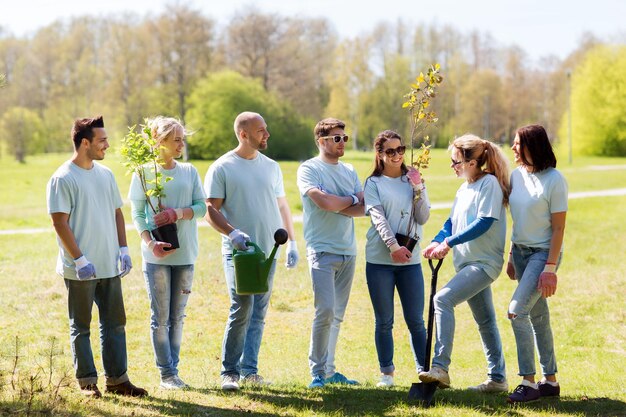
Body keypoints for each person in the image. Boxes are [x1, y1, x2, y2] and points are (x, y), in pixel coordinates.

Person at [46, 116, 147, 398]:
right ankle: (87, 383)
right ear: (85, 143)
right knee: (81, 326)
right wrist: (79, 259)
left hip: (109, 265)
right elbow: (59, 223)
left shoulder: (106, 175)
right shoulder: (62, 178)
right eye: (102, 140)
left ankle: (117, 380)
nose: (107, 145)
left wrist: (124, 249)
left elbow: (117, 212)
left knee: (115, 324)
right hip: (80, 269)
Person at [204, 111, 299, 391]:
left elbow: (282, 206)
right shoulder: (222, 167)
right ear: (243, 135)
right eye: (261, 131)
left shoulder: (271, 166)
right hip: (240, 253)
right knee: (242, 307)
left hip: (270, 250)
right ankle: (229, 372)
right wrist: (232, 233)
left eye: (266, 129)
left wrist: (292, 242)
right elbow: (210, 210)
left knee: (259, 310)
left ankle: (250, 370)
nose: (267, 134)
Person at [420, 134, 509, 392]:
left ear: (471, 162)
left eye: (455, 161)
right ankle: (498, 379)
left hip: (483, 264)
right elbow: (451, 223)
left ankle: (440, 367)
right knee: (486, 321)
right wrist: (437, 241)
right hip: (467, 263)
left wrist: (449, 243)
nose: (452, 166)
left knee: (442, 299)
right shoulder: (464, 187)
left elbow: (484, 221)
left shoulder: (489, 184)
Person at [129, 116, 206, 390]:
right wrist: (150, 243)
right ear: (159, 142)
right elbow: (137, 213)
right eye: (176, 140)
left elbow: (201, 207)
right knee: (160, 317)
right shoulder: (143, 172)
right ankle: (167, 374)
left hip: (185, 256)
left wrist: (178, 213)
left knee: (178, 316)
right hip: (156, 257)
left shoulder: (189, 171)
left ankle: (173, 370)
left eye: (182, 139)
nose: (181, 144)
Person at [296, 117, 365, 389]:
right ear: (321, 141)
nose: (342, 143)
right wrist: (346, 201)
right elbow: (322, 201)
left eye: (344, 138)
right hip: (322, 250)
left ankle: (330, 370)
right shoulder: (309, 169)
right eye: (337, 138)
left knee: (336, 314)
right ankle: (317, 372)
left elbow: (364, 207)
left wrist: (339, 203)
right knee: (324, 310)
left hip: (348, 250)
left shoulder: (349, 170)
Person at [363, 130, 430, 387]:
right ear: (380, 154)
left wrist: (418, 187)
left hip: (410, 263)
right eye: (390, 151)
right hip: (380, 262)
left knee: (416, 320)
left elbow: (422, 218)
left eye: (400, 149)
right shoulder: (373, 184)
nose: (396, 155)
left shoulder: (413, 178)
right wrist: (392, 246)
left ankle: (425, 371)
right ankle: (386, 373)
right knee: (384, 320)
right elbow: (378, 217)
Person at [505, 124, 567, 403]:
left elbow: (558, 230)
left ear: (533, 145)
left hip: (543, 255)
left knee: (517, 312)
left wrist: (550, 269)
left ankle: (528, 382)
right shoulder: (516, 176)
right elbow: (517, 221)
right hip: (520, 253)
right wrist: (510, 256)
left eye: (518, 144)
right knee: (538, 316)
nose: (513, 148)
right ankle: (550, 381)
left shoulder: (555, 180)